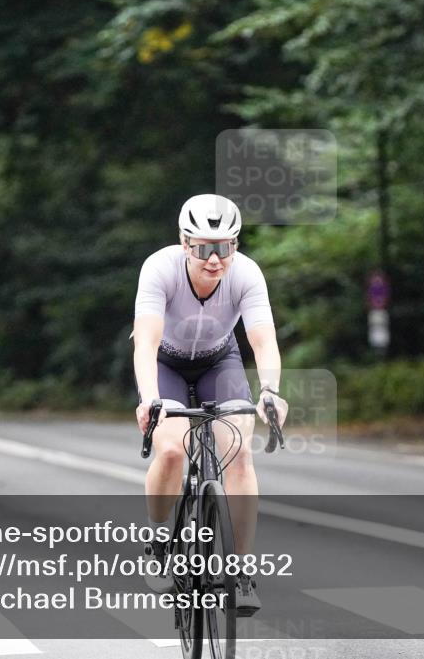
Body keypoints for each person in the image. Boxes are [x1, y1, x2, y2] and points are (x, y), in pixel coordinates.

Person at [133, 194, 288, 616]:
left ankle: (240, 570)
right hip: (166, 363)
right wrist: (149, 398)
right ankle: (159, 542)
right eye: (204, 249)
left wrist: (270, 390)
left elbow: (263, 341)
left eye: (225, 247)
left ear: (235, 245)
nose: (216, 260)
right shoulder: (159, 268)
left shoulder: (247, 274)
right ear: (185, 243)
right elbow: (145, 342)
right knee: (171, 450)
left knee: (239, 454)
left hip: (219, 361)